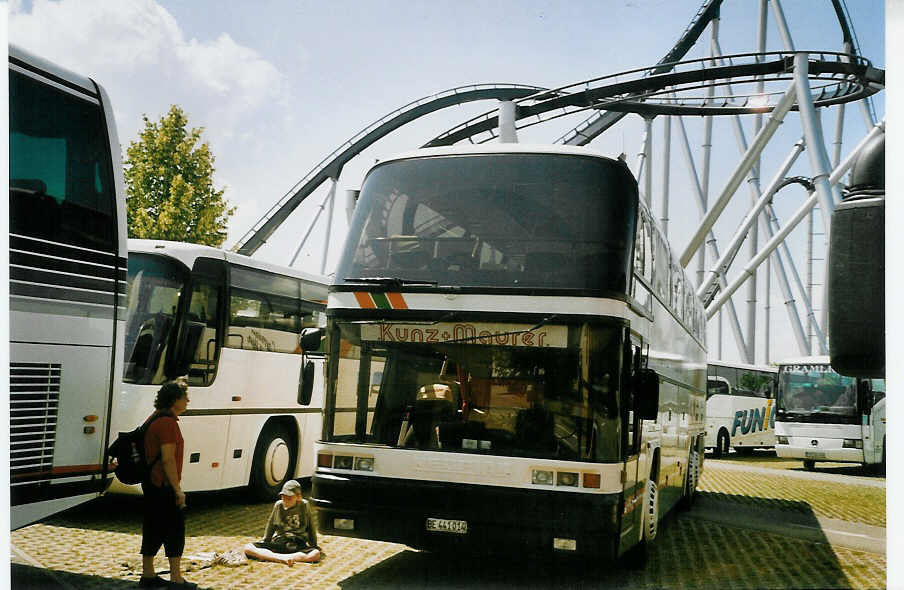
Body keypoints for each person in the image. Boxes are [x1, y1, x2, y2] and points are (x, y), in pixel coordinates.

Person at [138, 380, 196, 589]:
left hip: (152, 485)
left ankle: (148, 576)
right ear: (175, 400)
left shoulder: (154, 418)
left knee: (152, 528)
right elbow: (168, 459)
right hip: (164, 486)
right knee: (174, 531)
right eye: (185, 396)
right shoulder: (168, 424)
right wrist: (177, 490)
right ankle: (176, 579)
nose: (188, 400)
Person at [243, 480, 321, 566]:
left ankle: (275, 557)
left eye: (289, 498)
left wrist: (314, 544)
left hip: (297, 543)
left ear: (298, 497)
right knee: (248, 548)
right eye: (283, 497)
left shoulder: (304, 505)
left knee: (315, 554)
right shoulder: (278, 505)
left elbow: (310, 525)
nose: (285, 500)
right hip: (280, 542)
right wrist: (265, 541)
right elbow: (271, 524)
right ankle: (281, 558)